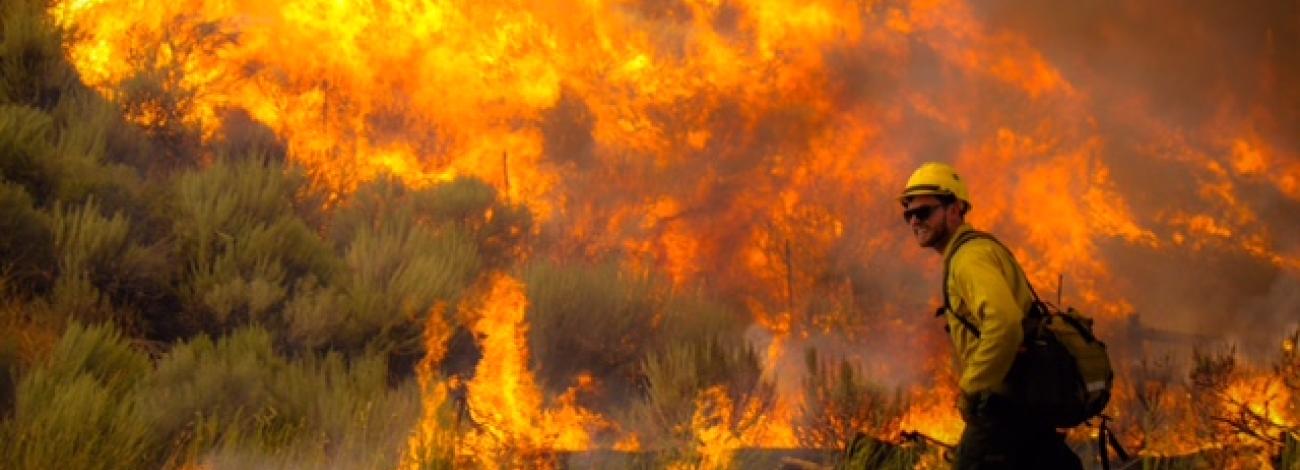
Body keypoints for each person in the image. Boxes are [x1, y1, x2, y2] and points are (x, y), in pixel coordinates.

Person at [899, 162, 1081, 469]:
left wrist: (972, 387)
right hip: (1023, 403)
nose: (915, 221)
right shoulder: (976, 251)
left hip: (1001, 408)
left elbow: (1004, 322)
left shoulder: (968, 258)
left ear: (955, 209)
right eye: (909, 214)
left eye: (925, 211)